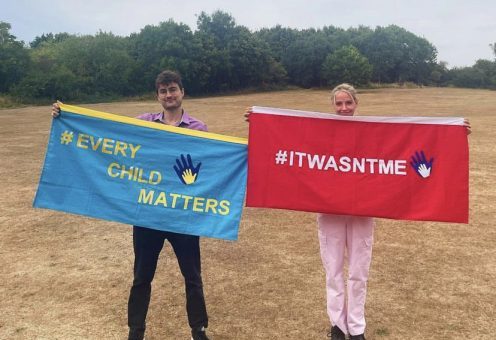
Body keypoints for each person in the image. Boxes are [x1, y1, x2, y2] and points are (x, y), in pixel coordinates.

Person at [245, 83, 471, 340]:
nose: (343, 108)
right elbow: (288, 142)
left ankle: (357, 326)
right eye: (339, 103)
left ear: (356, 104)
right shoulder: (321, 131)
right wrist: (258, 120)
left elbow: (405, 144)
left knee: (358, 271)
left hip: (363, 211)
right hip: (328, 210)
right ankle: (337, 325)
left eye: (348, 103)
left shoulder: (371, 131)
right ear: (333, 105)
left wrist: (455, 132)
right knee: (333, 269)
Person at [52, 70, 210, 340]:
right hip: (147, 213)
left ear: (182, 92)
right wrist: (66, 114)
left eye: (173, 89)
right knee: (141, 276)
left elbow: (209, 166)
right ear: (157, 96)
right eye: (163, 91)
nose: (168, 95)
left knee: (192, 276)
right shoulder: (143, 123)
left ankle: (199, 329)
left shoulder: (199, 129)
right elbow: (107, 130)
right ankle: (135, 331)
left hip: (182, 215)